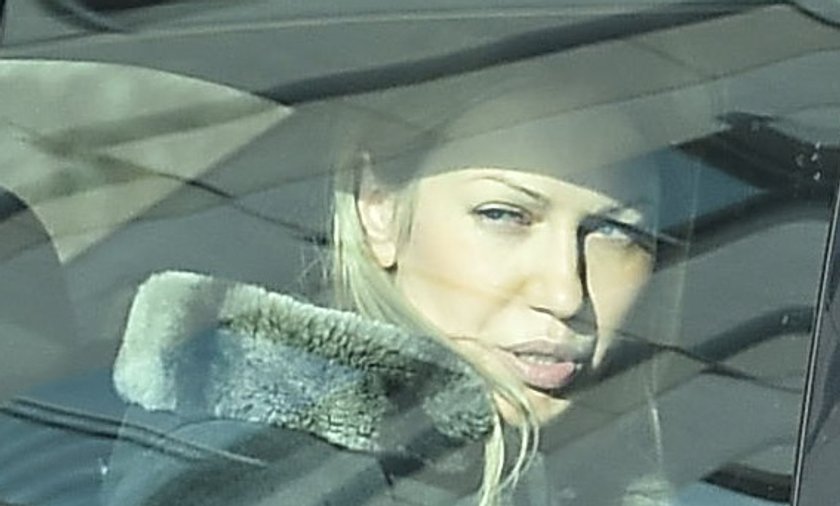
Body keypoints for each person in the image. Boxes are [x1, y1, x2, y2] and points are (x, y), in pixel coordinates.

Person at [104, 59, 706, 506]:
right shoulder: (259, 471)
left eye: (616, 232)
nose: (564, 294)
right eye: (504, 215)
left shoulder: (603, 472)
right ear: (379, 207)